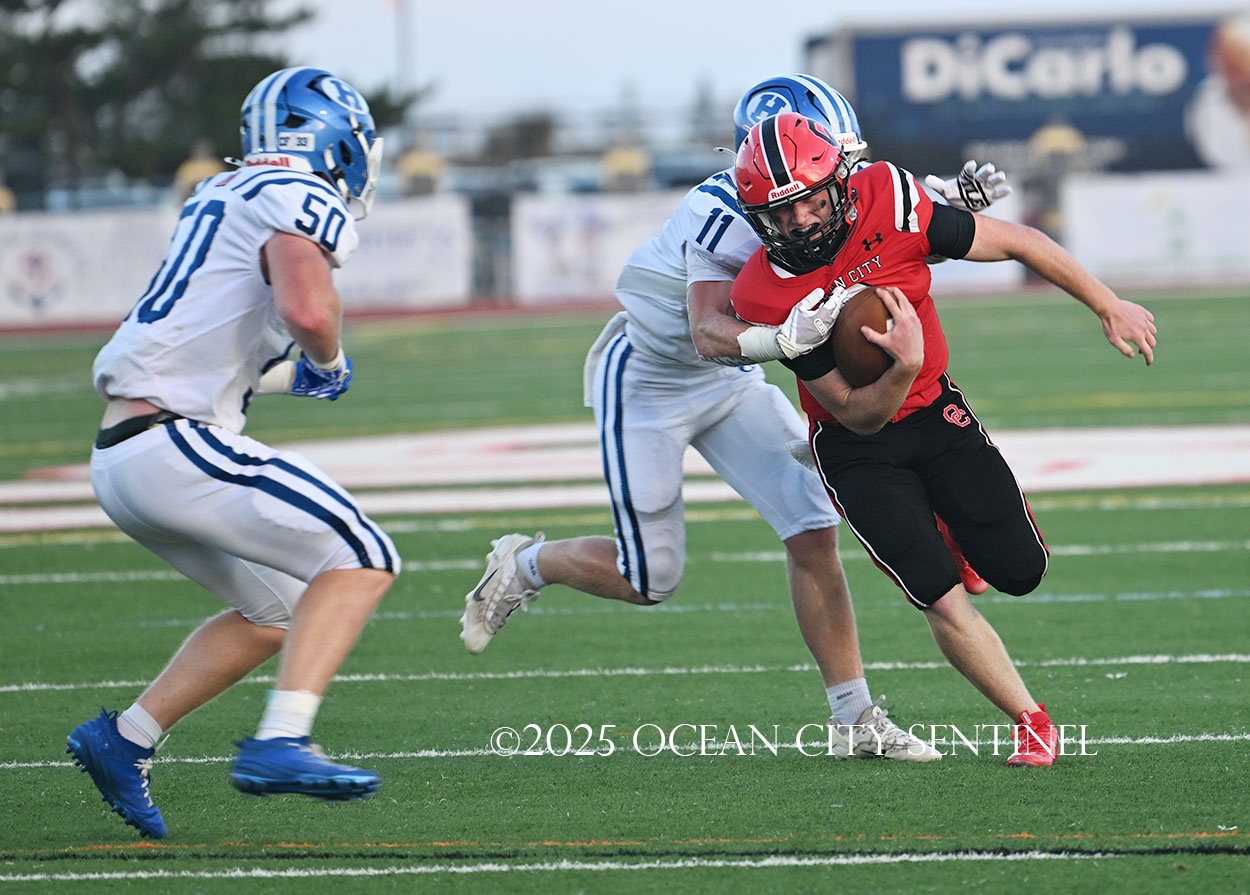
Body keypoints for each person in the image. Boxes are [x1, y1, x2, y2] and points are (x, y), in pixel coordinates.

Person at [461, 75, 1007, 761]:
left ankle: (853, 718)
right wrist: (782, 340)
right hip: (651, 380)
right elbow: (707, 332)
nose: (838, 180)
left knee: (813, 528)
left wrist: (944, 210)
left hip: (733, 381)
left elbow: (876, 242)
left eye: (839, 161)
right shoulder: (718, 212)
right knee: (650, 577)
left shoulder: (820, 195)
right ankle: (526, 564)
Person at [729, 112, 1157, 767]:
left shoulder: (888, 198)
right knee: (935, 591)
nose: (802, 222)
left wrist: (1108, 303)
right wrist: (901, 364)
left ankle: (956, 538)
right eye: (781, 213)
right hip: (853, 446)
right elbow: (857, 413)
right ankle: (1031, 720)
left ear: (840, 183)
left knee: (1023, 570)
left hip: (935, 412)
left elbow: (1018, 240)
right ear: (759, 219)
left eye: (811, 201)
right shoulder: (765, 291)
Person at [66, 67, 398, 839]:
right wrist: (327, 355)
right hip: (173, 443)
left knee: (274, 611)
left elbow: (210, 343)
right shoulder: (295, 193)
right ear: (339, 142)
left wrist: (297, 373)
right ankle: (282, 740)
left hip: (124, 453)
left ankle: (125, 738)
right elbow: (306, 306)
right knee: (363, 554)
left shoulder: (225, 192)